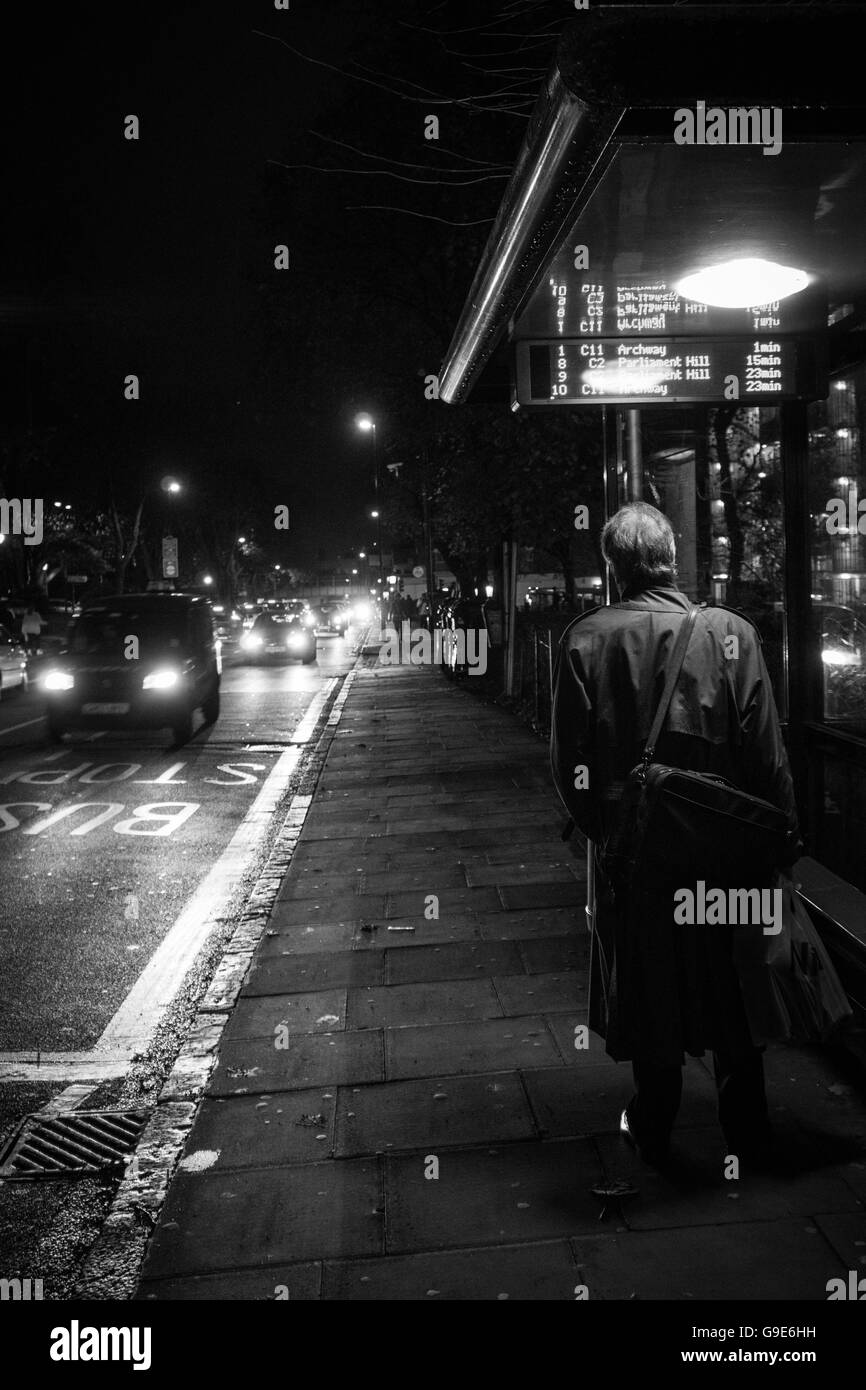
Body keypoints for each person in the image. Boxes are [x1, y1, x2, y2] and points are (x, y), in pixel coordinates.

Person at [551, 502, 800, 1167]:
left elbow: (570, 762)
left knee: (650, 977)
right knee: (732, 973)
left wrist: (605, 830)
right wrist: (782, 840)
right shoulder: (730, 634)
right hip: (725, 849)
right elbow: (766, 753)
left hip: (639, 855)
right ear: (673, 557)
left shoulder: (585, 638)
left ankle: (655, 1121)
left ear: (613, 568)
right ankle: (747, 1127)